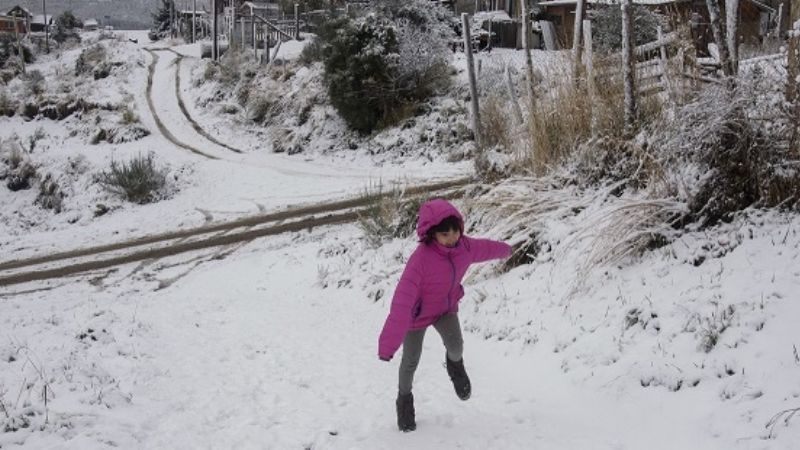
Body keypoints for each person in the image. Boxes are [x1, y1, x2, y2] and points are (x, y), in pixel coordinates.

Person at [377, 198, 512, 432]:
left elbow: (487, 248)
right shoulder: (420, 260)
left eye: (455, 232)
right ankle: (404, 401)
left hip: (444, 310)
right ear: (432, 234)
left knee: (456, 346)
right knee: (410, 362)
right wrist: (387, 346)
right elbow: (401, 304)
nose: (451, 238)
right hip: (416, 317)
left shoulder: (465, 248)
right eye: (445, 234)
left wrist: (507, 250)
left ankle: (455, 367)